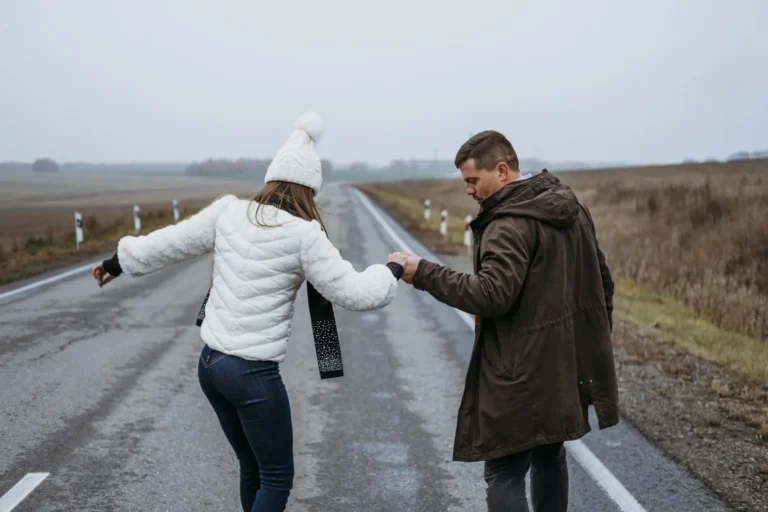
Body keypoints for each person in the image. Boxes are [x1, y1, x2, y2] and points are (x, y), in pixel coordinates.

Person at [91, 112, 409, 512]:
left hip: (210, 366)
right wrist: (393, 270)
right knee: (277, 477)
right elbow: (357, 293)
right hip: (252, 374)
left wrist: (116, 262)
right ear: (311, 190)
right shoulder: (304, 235)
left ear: (271, 178)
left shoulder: (229, 211)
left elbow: (168, 244)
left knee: (253, 467)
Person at [391, 130, 619, 512]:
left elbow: (491, 295)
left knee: (504, 470)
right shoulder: (570, 207)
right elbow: (602, 282)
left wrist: (424, 273)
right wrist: (584, 344)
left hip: (517, 370)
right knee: (549, 455)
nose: (468, 190)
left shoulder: (508, 222)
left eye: (472, 180)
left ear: (501, 170)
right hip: (561, 363)